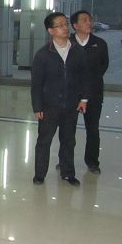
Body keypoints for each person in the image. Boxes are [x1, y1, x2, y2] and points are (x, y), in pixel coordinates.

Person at [31, 12, 88, 186]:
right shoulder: (43, 54)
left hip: (71, 104)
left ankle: (68, 173)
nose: (65, 28)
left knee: (69, 140)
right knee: (44, 140)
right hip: (49, 105)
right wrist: (37, 107)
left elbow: (84, 77)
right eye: (60, 25)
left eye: (66, 24)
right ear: (50, 31)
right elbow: (36, 83)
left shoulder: (78, 51)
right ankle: (40, 174)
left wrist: (83, 99)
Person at [70, 10, 109, 174]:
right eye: (84, 20)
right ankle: (65, 160)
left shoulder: (99, 44)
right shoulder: (67, 42)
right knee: (68, 130)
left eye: (90, 20)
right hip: (70, 93)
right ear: (75, 25)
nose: (89, 23)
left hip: (93, 93)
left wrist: (89, 84)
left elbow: (103, 65)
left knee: (92, 129)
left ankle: (92, 161)